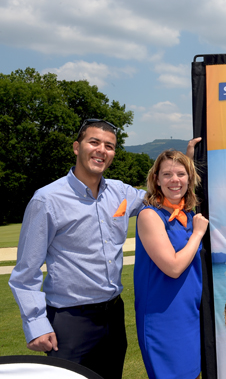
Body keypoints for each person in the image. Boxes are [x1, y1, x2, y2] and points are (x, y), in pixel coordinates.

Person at [8, 118, 198, 378]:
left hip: (113, 315)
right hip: (69, 320)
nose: (101, 150)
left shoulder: (121, 193)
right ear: (77, 147)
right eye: (94, 142)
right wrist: (35, 324)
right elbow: (26, 271)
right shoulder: (47, 199)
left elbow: (169, 190)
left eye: (109, 146)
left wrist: (188, 162)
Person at [133, 150, 208, 379]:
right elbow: (173, 268)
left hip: (190, 315)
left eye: (181, 174)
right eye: (166, 174)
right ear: (156, 179)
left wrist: (195, 151)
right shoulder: (150, 216)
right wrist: (197, 235)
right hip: (164, 318)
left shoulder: (188, 215)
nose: (174, 180)